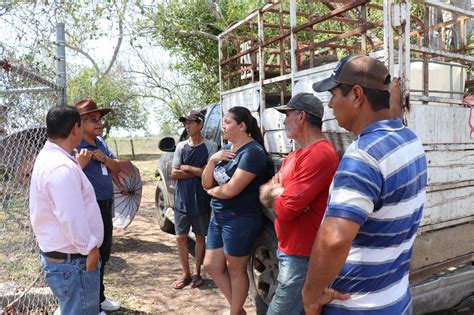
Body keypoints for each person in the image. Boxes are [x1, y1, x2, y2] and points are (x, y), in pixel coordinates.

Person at [302, 55, 428, 315]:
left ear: (357, 95)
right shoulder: (409, 140)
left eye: (335, 94)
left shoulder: (363, 156)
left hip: (358, 307)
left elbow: (334, 239)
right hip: (396, 299)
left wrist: (311, 295)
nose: (330, 103)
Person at [259, 93, 339, 315]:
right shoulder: (294, 156)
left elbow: (285, 211)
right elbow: (263, 193)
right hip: (289, 250)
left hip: (302, 256)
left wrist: (276, 194)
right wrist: (277, 192)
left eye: (287, 115)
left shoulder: (320, 154)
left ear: (302, 116)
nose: (284, 121)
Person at [29, 105, 104, 314]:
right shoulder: (61, 167)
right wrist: (90, 249)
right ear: (74, 129)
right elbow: (70, 217)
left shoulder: (52, 158)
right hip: (73, 263)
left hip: (67, 260)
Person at [201, 106, 268, 315]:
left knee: (235, 269)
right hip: (219, 216)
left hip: (240, 218)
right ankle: (237, 310)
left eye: (227, 122)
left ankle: (235, 311)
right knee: (211, 265)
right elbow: (205, 183)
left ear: (242, 126)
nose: (223, 126)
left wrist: (212, 191)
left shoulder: (253, 152)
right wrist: (212, 160)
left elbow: (231, 190)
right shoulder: (226, 150)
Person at [74, 98, 124, 312]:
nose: (99, 123)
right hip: (88, 209)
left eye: (100, 119)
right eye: (93, 119)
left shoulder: (101, 143)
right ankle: (88, 303)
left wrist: (104, 159)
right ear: (80, 123)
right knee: (89, 256)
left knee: (103, 254)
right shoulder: (75, 147)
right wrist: (81, 164)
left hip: (105, 206)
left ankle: (99, 296)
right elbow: (65, 179)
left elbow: (117, 168)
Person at [171, 109, 217, 289]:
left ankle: (197, 273)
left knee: (200, 237)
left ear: (200, 124)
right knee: (180, 237)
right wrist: (199, 172)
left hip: (201, 200)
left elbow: (209, 174)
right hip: (181, 200)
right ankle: (186, 274)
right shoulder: (181, 146)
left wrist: (188, 167)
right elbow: (174, 172)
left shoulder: (211, 146)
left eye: (191, 122)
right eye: (185, 123)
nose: (187, 126)